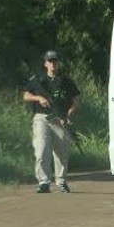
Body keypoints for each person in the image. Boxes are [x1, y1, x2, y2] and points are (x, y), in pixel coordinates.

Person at [22, 50, 81, 193]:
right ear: (45, 63)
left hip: (60, 119)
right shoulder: (37, 80)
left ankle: (61, 181)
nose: (52, 64)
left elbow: (76, 101)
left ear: (59, 63)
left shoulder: (66, 81)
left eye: (55, 61)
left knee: (61, 152)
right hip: (42, 118)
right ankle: (43, 181)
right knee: (41, 150)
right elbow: (26, 95)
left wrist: (67, 115)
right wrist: (39, 98)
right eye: (50, 61)